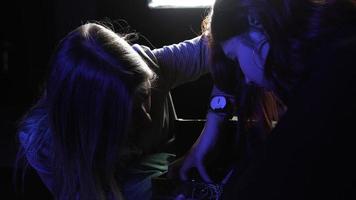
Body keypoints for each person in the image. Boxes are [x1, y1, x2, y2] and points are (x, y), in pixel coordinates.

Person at [179, 0, 356, 199]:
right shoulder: (337, 44)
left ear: (257, 22)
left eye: (235, 58)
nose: (247, 79)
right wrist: (211, 129)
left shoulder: (326, 89)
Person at [16, 22, 210, 200]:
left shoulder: (150, 66)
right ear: (90, 119)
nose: (147, 119)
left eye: (145, 96)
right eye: (127, 113)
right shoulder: (46, 146)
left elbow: (219, 40)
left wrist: (218, 113)